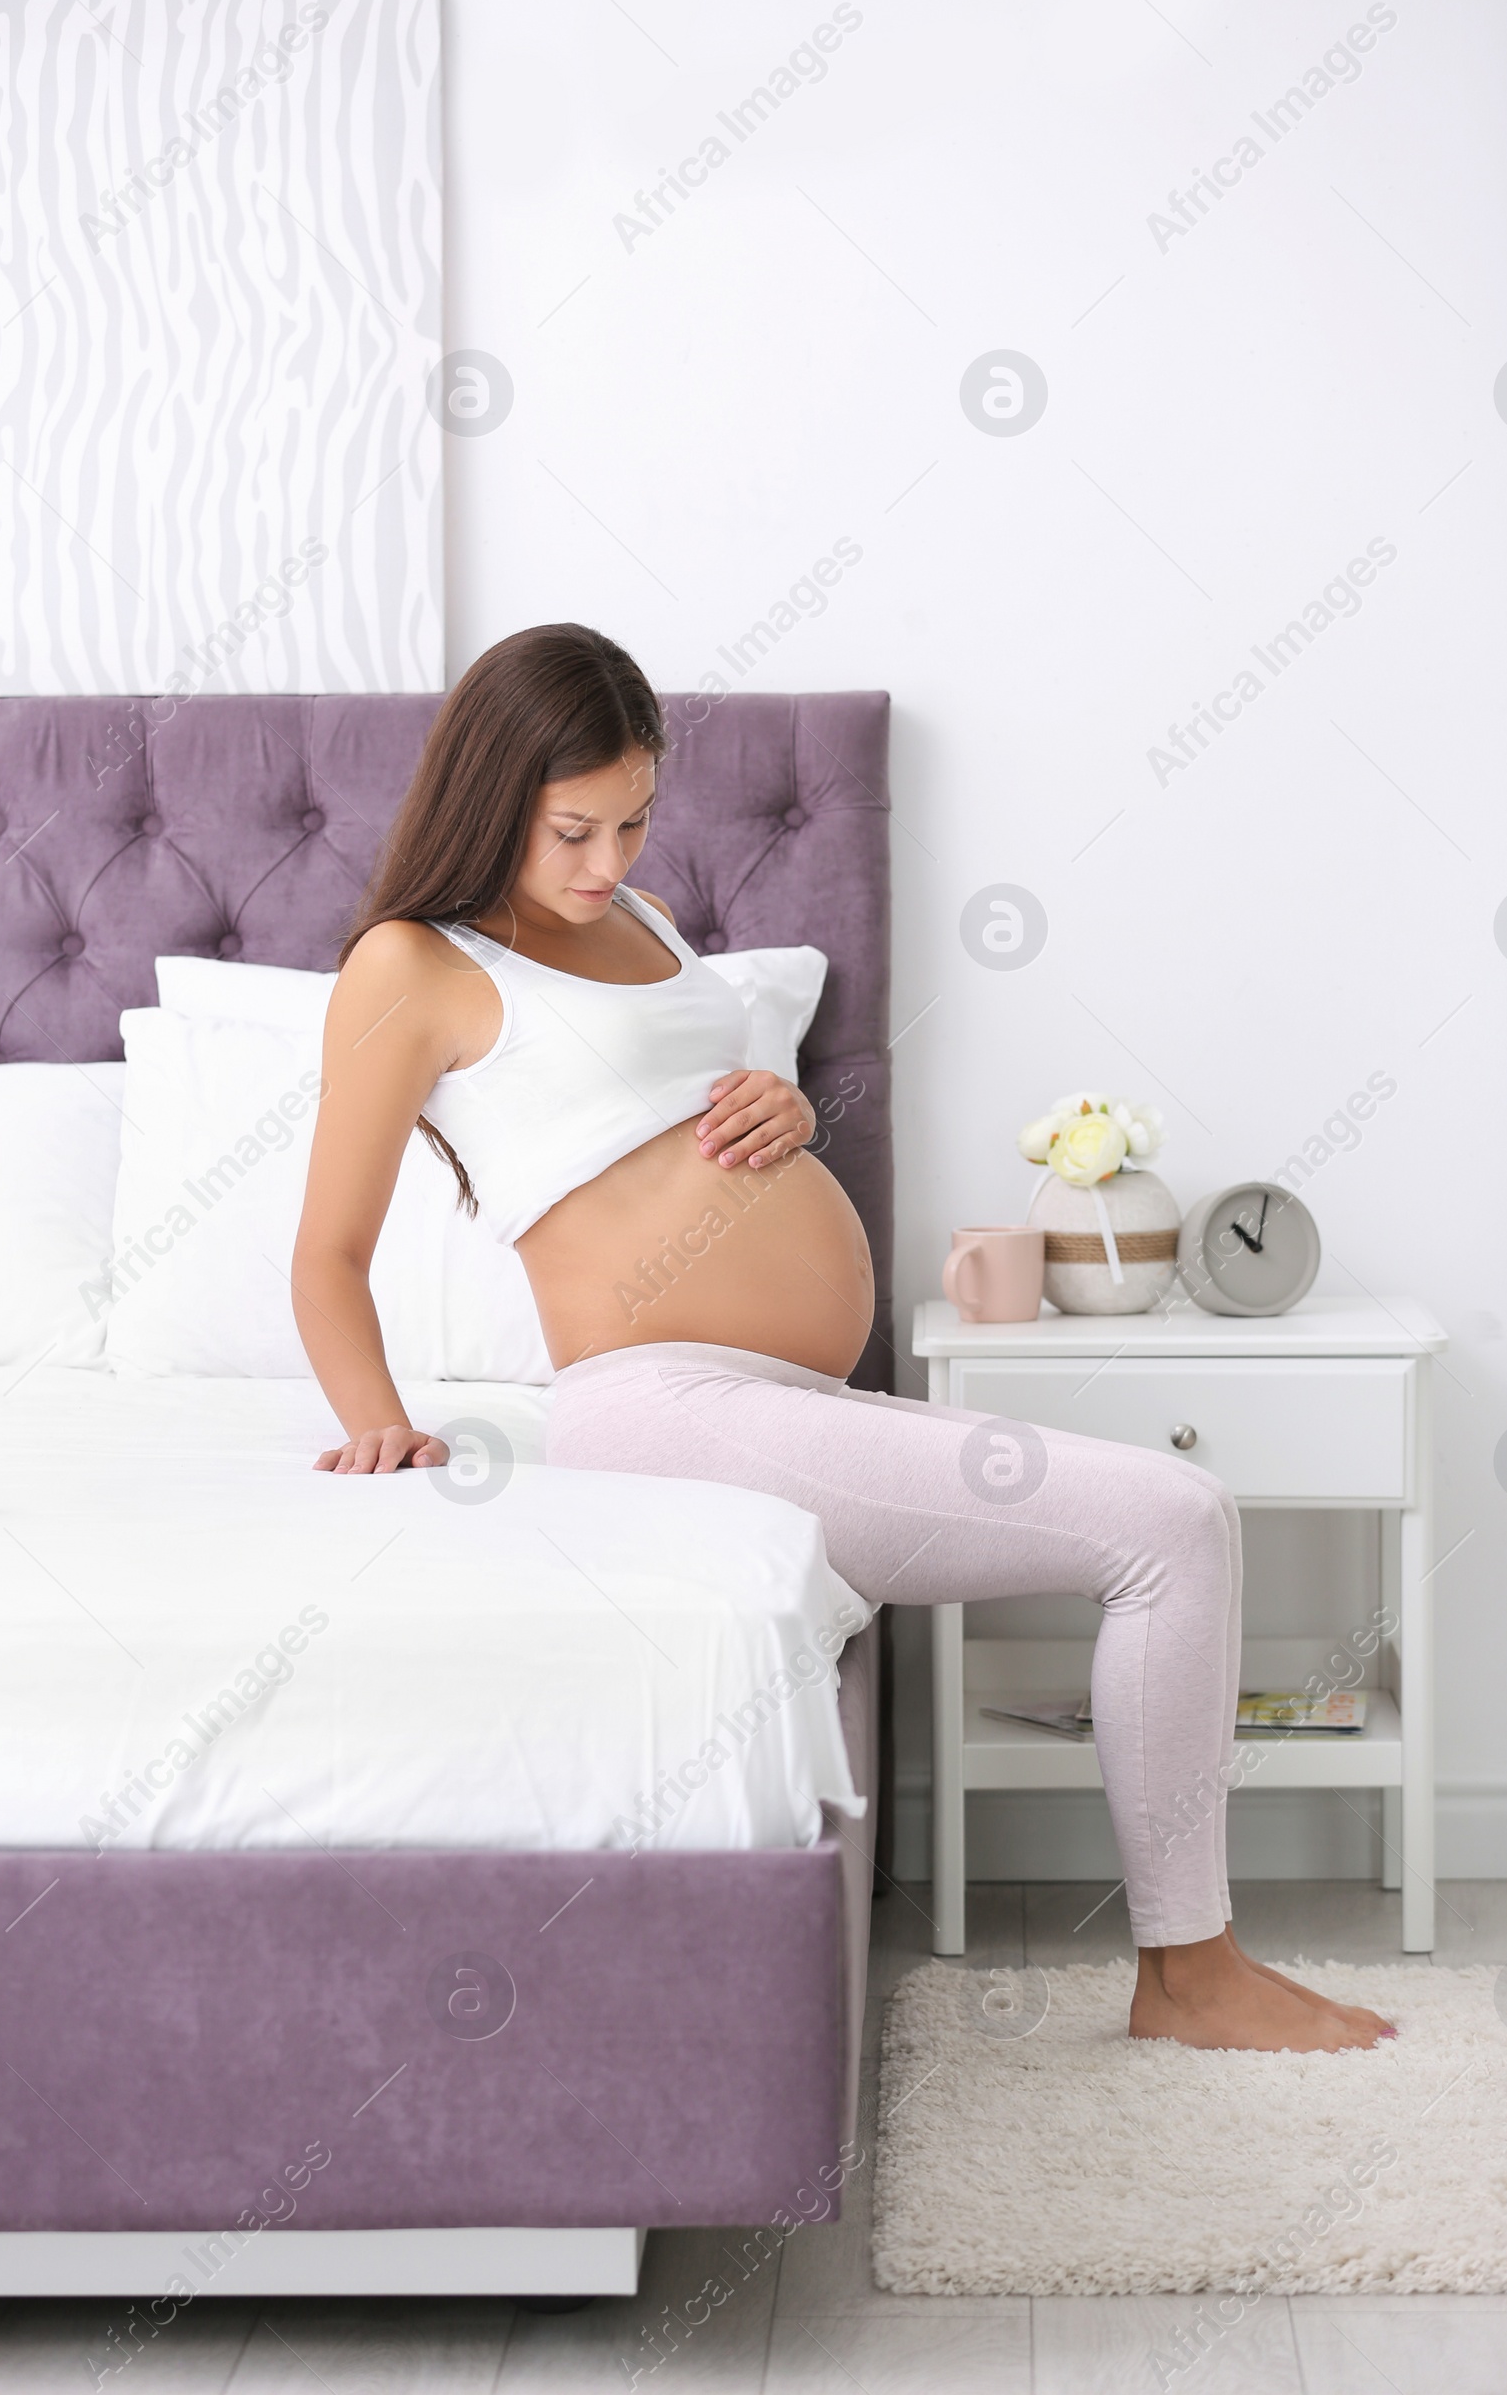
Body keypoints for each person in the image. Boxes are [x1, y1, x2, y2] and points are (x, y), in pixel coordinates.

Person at [292, 622, 1392, 2054]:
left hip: (778, 1394)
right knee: (1170, 1524)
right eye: (573, 829)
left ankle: (1193, 1971)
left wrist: (791, 1109)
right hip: (660, 1403)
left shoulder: (649, 926)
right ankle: (1192, 1976)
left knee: (1179, 1527)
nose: (607, 862)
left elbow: (682, 1116)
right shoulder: (412, 965)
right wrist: (378, 1414)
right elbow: (327, 1249)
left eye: (634, 821)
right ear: (492, 793)